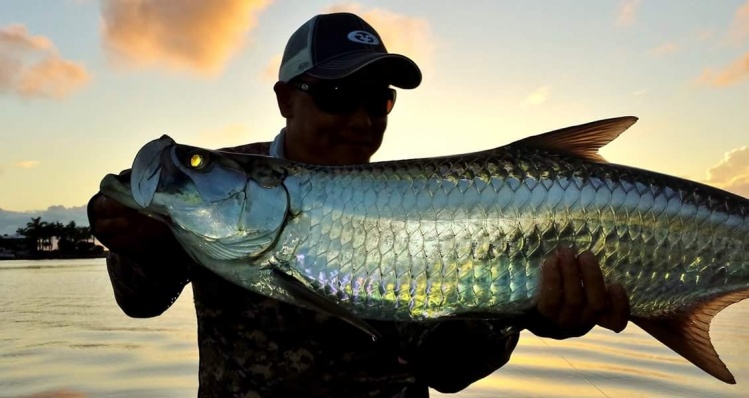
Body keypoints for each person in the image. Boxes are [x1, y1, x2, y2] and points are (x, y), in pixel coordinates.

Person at [88, 12, 630, 398]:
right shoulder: (228, 186)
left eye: (380, 101)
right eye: (337, 96)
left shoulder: (420, 210)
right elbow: (140, 303)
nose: (362, 120)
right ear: (284, 99)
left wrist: (525, 315)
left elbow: (449, 368)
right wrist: (143, 248)